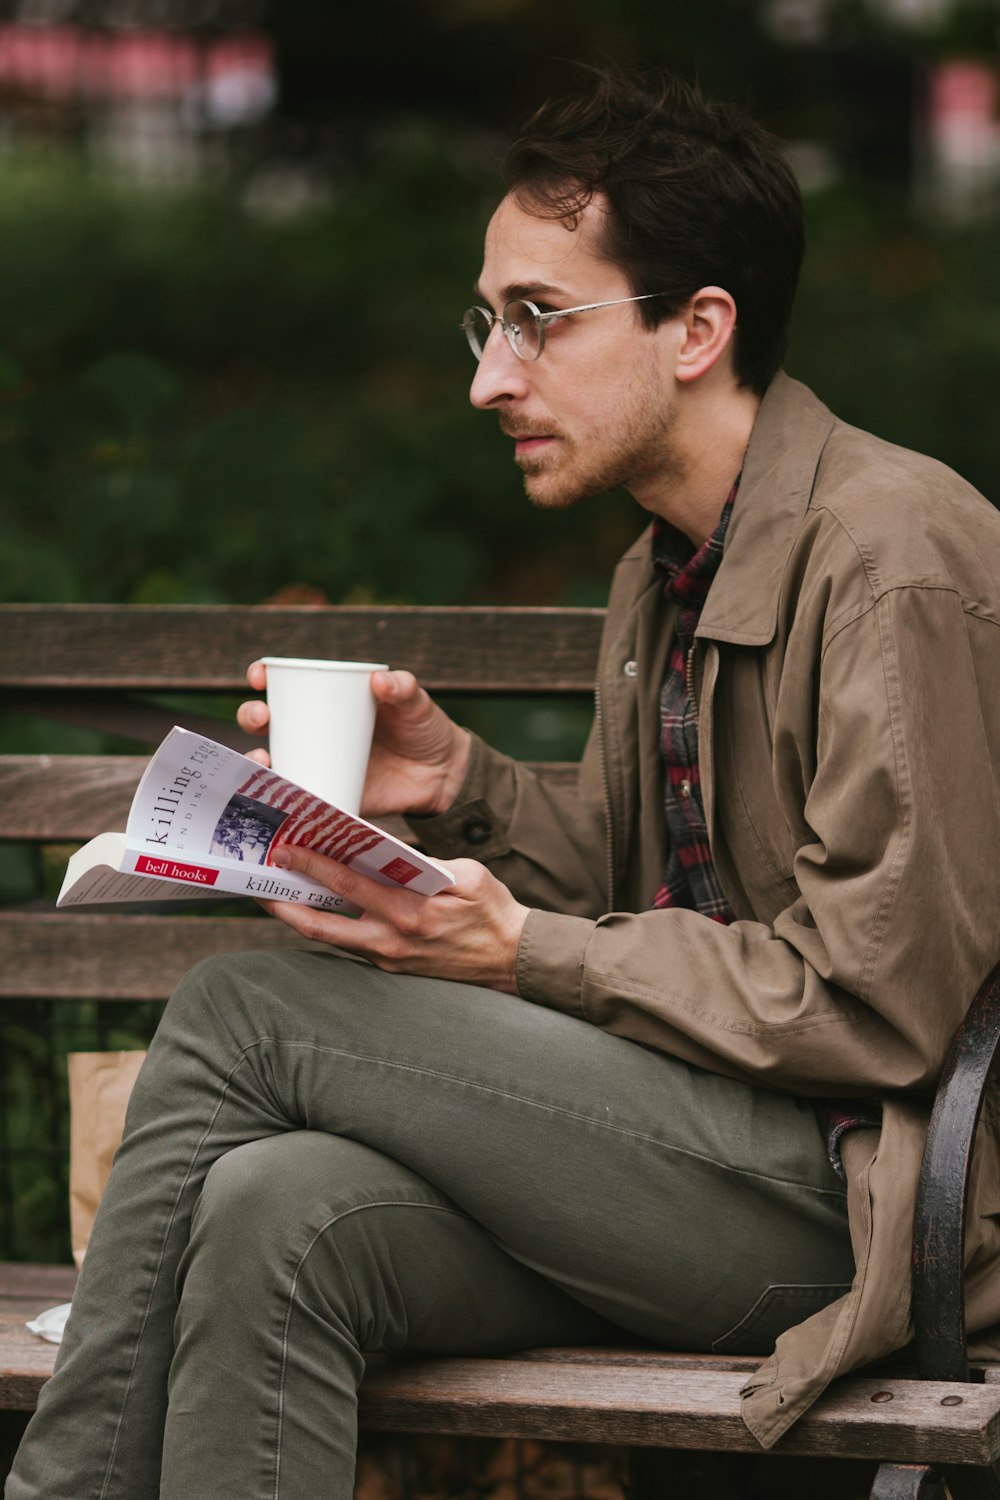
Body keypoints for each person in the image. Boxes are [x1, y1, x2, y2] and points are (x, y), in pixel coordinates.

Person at [8, 63, 1000, 1500]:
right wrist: (463, 786)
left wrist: (518, 950)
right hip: (692, 1158)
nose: (490, 375)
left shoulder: (891, 555)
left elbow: (886, 1003)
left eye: (538, 320)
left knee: (246, 1008)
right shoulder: (660, 570)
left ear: (696, 331)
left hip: (868, 1205)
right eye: (490, 322)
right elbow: (642, 890)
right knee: (270, 1207)